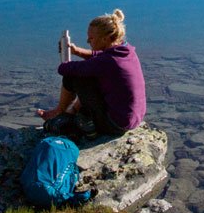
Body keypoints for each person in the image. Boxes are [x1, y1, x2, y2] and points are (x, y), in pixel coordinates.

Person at [36, 9, 146, 137]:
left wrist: (65, 58)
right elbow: (100, 57)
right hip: (131, 119)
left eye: (91, 39)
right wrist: (76, 51)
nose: (88, 41)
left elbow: (65, 70)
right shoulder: (126, 50)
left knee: (74, 77)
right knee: (91, 76)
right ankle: (70, 112)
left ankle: (60, 112)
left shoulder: (107, 61)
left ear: (105, 39)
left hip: (114, 125)